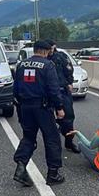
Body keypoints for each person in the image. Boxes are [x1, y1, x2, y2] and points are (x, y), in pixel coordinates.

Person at [12, 40, 66, 186]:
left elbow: (15, 88)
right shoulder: (48, 65)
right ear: (45, 51)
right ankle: (53, 174)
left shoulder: (21, 65)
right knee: (52, 139)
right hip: (42, 108)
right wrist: (59, 107)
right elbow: (53, 89)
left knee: (28, 137)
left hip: (25, 107)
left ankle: (21, 166)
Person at [47, 39, 80, 153]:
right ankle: (53, 145)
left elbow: (69, 70)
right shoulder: (43, 59)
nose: (49, 51)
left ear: (54, 46)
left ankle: (69, 142)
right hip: (48, 93)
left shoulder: (61, 56)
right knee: (48, 119)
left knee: (68, 118)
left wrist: (70, 82)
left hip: (62, 90)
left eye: (50, 48)